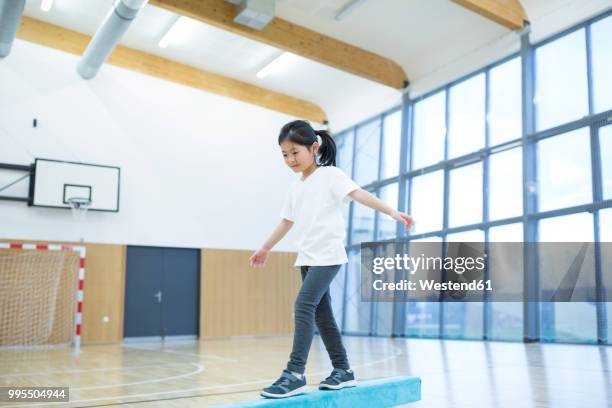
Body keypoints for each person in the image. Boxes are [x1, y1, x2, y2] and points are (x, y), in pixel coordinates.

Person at [249, 120, 414, 399]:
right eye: (285, 154)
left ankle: (295, 373)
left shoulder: (330, 175)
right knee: (322, 314)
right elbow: (286, 222)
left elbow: (360, 193)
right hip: (307, 257)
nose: (290, 159)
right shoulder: (296, 188)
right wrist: (265, 247)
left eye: (295, 152)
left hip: (328, 254)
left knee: (303, 305)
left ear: (314, 147)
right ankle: (343, 370)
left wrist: (392, 212)